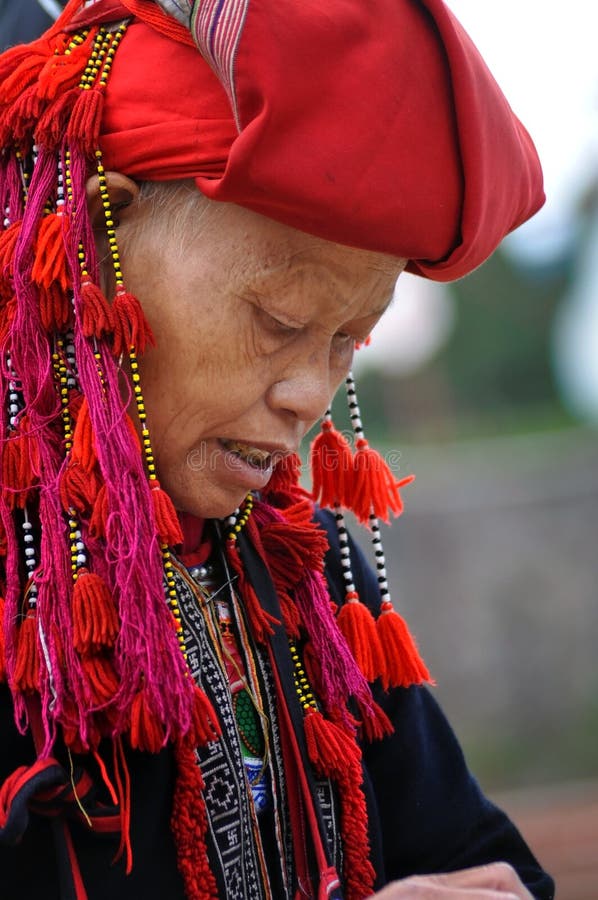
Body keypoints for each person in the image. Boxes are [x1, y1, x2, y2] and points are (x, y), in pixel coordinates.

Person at [0, 1, 554, 898]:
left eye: (347, 341)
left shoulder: (303, 571)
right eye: (280, 320)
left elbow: (487, 863)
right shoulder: (22, 575)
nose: (311, 394)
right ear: (103, 237)